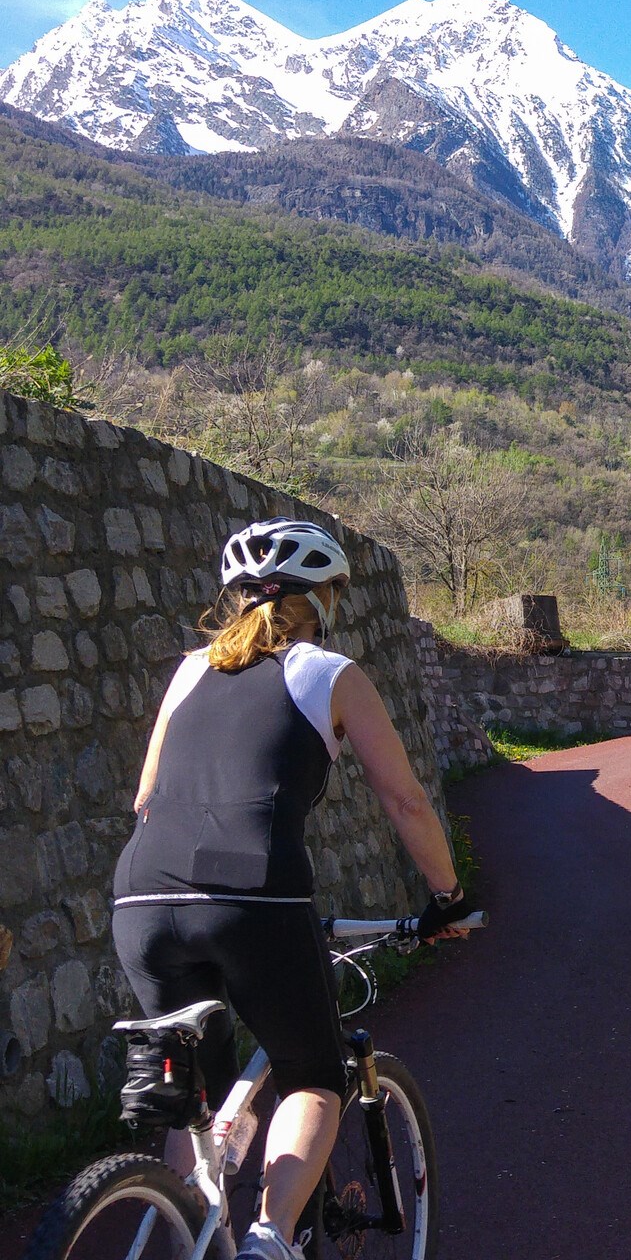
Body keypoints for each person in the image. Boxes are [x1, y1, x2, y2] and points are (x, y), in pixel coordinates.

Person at [111, 518, 476, 1260]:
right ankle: (269, 1239)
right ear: (327, 599)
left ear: (236, 597)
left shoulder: (188, 671)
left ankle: (190, 1233)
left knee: (199, 1106)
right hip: (256, 897)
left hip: (141, 898)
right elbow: (405, 801)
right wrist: (446, 898)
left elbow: (145, 800)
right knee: (313, 1076)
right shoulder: (329, 673)